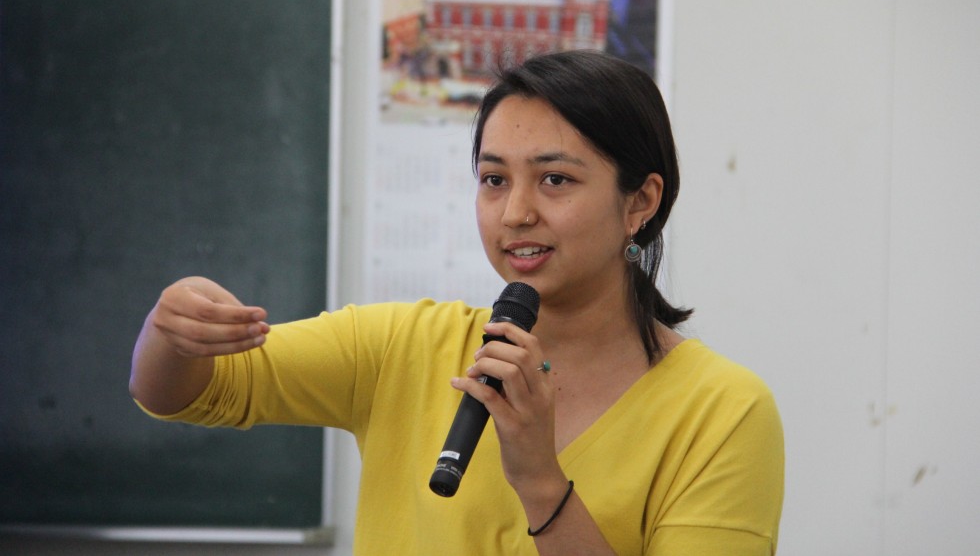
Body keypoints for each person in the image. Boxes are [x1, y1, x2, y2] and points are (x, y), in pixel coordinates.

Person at [130, 50, 784, 555]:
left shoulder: (722, 410)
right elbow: (182, 391)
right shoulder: (401, 346)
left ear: (640, 201)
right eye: (494, 180)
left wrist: (539, 479)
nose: (516, 211)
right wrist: (171, 327)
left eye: (555, 179)